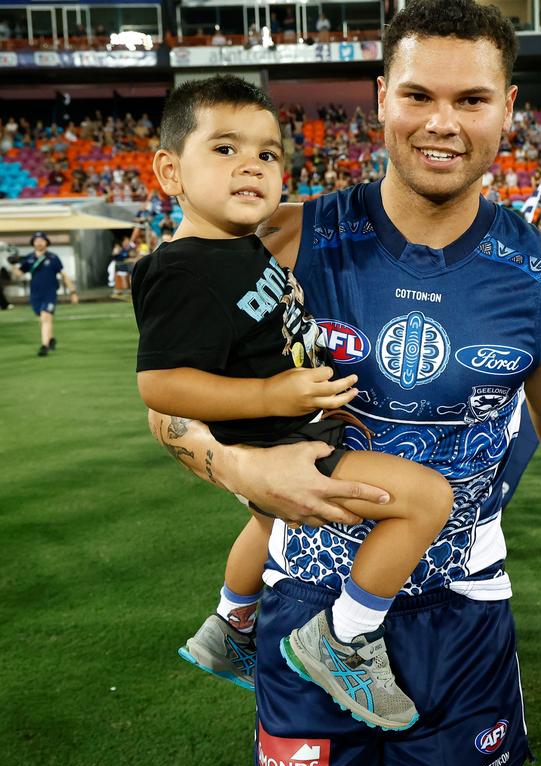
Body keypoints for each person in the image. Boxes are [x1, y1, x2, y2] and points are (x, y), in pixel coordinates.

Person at [143, 4, 541, 766]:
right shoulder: (281, 241)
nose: (442, 123)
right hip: (303, 596)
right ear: (381, 98)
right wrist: (242, 467)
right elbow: (170, 407)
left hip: (462, 610)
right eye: (418, 96)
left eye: (470, 99)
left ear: (506, 108)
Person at [133, 75, 454, 731]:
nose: (252, 164)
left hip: (294, 426)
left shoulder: (239, 244)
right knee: (427, 500)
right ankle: (345, 639)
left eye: (268, 152)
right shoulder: (182, 270)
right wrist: (273, 395)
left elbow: (269, 336)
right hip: (275, 444)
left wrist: (310, 398)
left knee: (267, 523)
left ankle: (229, 625)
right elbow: (161, 386)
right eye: (224, 149)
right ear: (170, 171)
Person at [10, 231, 77, 356]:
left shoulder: (53, 258)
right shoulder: (29, 258)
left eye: (42, 240)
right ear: (33, 243)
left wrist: (73, 292)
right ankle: (50, 339)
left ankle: (44, 346)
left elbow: (64, 275)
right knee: (43, 320)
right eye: (36, 240)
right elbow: (18, 274)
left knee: (46, 316)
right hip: (35, 294)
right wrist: (13, 265)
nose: (39, 242)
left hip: (50, 293)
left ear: (47, 242)